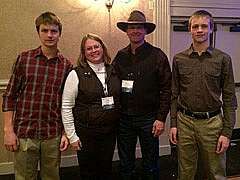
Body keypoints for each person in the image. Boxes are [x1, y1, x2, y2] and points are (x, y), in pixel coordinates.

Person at [2, 12, 72, 180]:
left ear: (59, 33)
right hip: (25, 133)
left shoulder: (66, 65)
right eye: (45, 30)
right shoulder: (24, 59)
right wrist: (8, 130)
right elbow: (9, 96)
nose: (49, 35)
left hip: (52, 134)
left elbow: (66, 103)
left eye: (54, 31)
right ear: (38, 32)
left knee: (52, 177)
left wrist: (64, 133)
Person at [169, 10, 237, 180]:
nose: (199, 30)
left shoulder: (223, 59)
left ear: (211, 29)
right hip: (185, 122)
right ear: (190, 30)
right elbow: (174, 94)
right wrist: (174, 124)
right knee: (185, 172)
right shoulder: (178, 59)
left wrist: (227, 132)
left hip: (213, 124)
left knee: (216, 173)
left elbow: (229, 99)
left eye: (204, 26)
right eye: (195, 26)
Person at [113, 10, 172, 180]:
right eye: (132, 27)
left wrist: (161, 118)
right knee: (125, 163)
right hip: (124, 119)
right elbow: (112, 83)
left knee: (150, 162)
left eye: (139, 27)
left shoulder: (157, 55)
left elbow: (167, 89)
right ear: (126, 31)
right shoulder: (120, 56)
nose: (135, 31)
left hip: (149, 118)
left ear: (146, 31)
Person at [61, 33, 121, 180]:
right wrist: (72, 136)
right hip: (86, 132)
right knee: (89, 171)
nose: (94, 50)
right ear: (84, 53)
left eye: (96, 46)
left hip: (109, 131)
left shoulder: (113, 70)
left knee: (106, 168)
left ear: (102, 48)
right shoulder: (76, 74)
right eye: (89, 48)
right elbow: (67, 106)